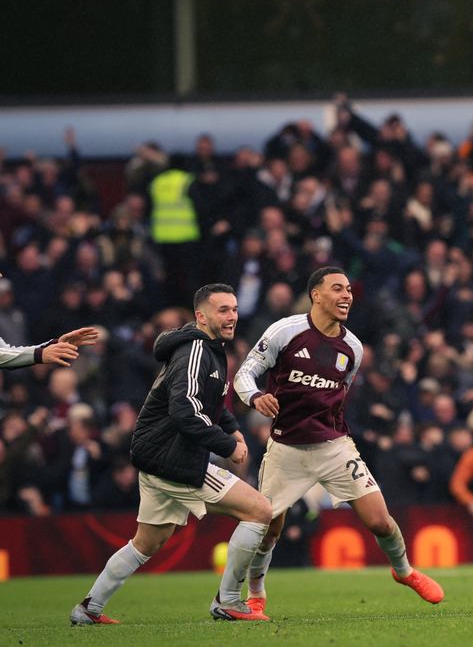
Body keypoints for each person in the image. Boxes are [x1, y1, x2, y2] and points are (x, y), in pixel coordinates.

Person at [233, 267, 443, 615]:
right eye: (337, 289)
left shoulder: (353, 348)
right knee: (270, 528)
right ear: (316, 294)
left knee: (380, 520)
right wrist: (255, 397)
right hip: (287, 447)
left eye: (348, 290)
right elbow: (244, 374)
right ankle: (256, 594)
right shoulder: (285, 331)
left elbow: (340, 394)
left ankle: (404, 572)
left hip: (333, 446)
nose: (347, 296)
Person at [70, 284, 273, 625]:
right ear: (201, 316)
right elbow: (186, 412)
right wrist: (228, 445)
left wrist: (231, 425)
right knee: (259, 511)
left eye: (234, 309)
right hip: (175, 458)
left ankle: (88, 609)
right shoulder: (195, 350)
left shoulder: (206, 348)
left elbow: (208, 400)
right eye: (223, 310)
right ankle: (229, 601)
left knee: (146, 543)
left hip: (155, 457)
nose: (232, 316)